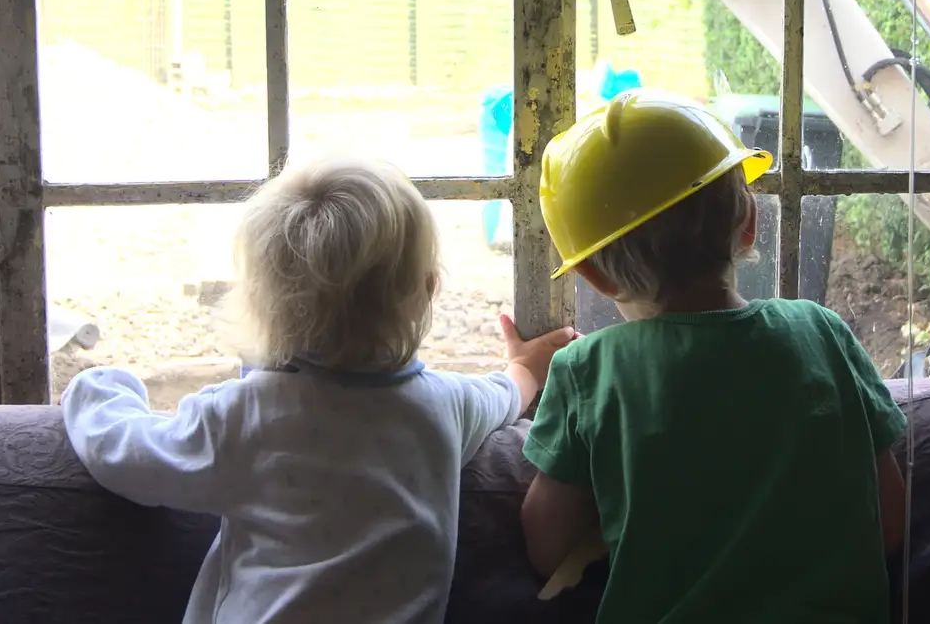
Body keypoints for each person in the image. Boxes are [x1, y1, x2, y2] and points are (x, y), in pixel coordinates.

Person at [61, 155, 578, 624]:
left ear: (261, 304)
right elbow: (503, 395)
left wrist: (99, 387)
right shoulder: (444, 404)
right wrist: (527, 366)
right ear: (428, 289)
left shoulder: (248, 416)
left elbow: (126, 454)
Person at [520, 90, 908, 623]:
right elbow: (889, 524)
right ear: (749, 223)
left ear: (594, 274)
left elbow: (545, 549)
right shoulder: (822, 332)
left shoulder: (587, 370)